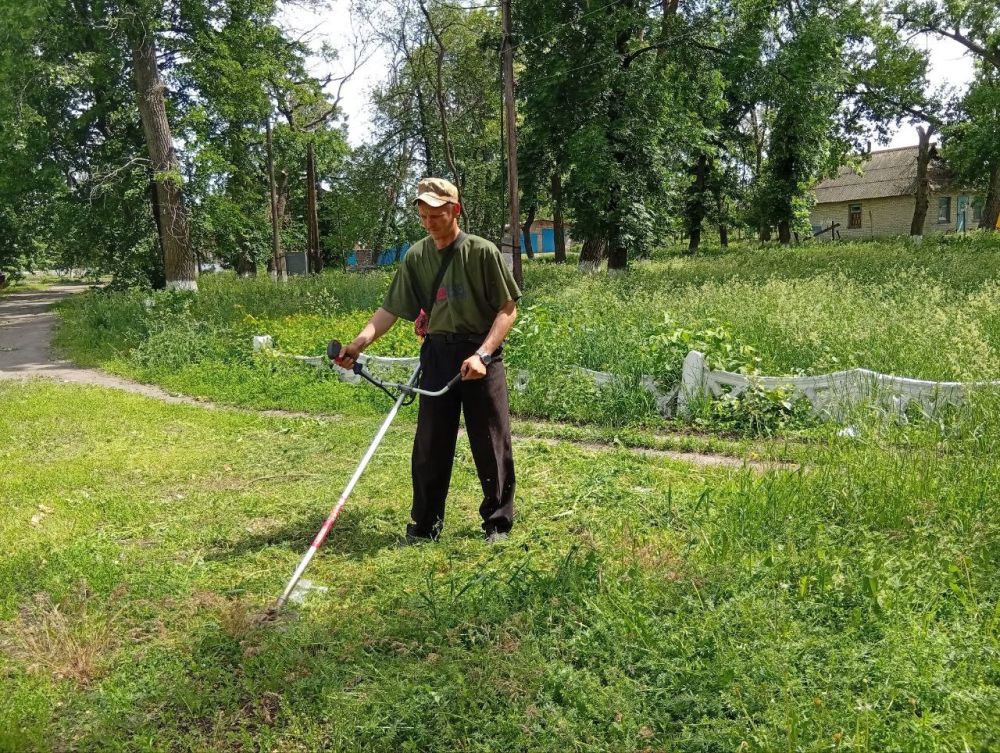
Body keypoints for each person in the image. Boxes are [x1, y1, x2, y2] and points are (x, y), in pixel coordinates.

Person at [336, 177, 521, 544]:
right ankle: (425, 525)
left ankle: (497, 524)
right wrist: (359, 343)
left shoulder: (482, 252)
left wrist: (483, 354)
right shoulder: (416, 256)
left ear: (456, 210)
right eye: (423, 215)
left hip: (480, 354)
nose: (429, 222)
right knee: (430, 443)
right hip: (437, 354)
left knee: (491, 442)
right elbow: (390, 310)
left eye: (436, 215)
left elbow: (507, 310)